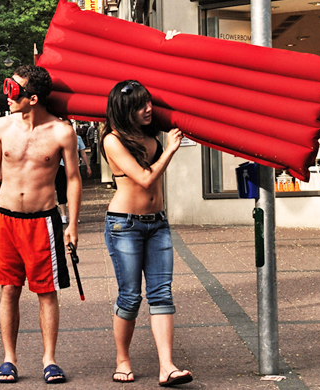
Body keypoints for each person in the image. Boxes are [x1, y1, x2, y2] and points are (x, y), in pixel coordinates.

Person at [0, 64, 81, 384]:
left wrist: (72, 224)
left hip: (43, 221)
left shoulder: (62, 132)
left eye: (13, 90)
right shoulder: (1, 127)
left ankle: (49, 360)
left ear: (33, 98)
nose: (7, 95)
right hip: (6, 218)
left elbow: (75, 179)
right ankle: (9, 359)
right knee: (9, 289)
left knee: (46, 292)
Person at [100, 80, 192, 387]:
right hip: (124, 224)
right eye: (141, 105)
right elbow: (142, 177)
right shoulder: (113, 140)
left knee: (162, 294)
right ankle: (122, 359)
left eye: (149, 102)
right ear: (126, 110)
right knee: (130, 296)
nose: (149, 109)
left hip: (158, 224)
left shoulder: (151, 134)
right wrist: (171, 150)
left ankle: (166, 366)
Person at [56, 124, 91, 224]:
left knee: (74, 190)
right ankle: (63, 214)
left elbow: (83, 152)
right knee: (61, 189)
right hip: (60, 166)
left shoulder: (77, 138)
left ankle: (73, 216)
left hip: (74, 166)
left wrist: (88, 166)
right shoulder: (57, 138)